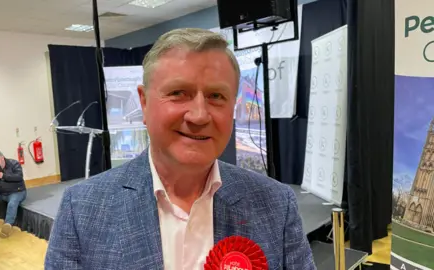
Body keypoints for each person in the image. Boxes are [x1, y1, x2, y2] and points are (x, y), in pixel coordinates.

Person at [45, 28, 315, 269]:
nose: (199, 115)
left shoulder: (276, 205)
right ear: (144, 102)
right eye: (178, 93)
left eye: (216, 96)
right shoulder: (81, 210)